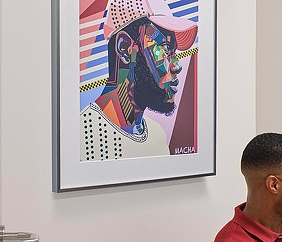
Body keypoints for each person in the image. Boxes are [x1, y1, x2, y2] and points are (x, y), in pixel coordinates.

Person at [80, 0, 197, 161]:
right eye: (164, 48)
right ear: (125, 48)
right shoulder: (81, 134)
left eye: (174, 51)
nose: (176, 65)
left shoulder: (157, 134)